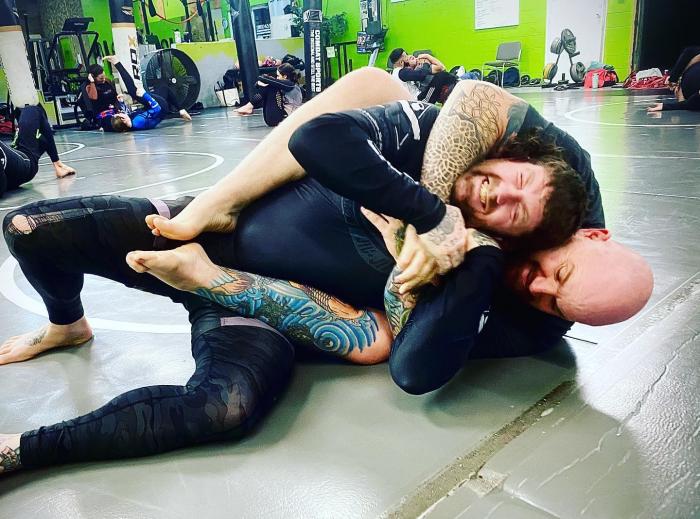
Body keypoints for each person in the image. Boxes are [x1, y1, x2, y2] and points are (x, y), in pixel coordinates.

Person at [0, 69, 652, 474]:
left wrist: (215, 282)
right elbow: (474, 99)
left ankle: (20, 450)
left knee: (225, 407)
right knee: (29, 229)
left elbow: (395, 349)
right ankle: (69, 322)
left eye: (555, 305)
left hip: (256, 301)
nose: (537, 287)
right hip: (222, 222)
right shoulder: (549, 176)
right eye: (558, 275)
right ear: (588, 235)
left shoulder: (524, 311)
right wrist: (428, 216)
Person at [101, 56, 192, 132]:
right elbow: (157, 108)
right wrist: (144, 94)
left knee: (164, 88)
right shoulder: (138, 121)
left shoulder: (129, 123)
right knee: (133, 91)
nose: (120, 113)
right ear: (123, 119)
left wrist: (121, 102)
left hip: (151, 108)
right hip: (160, 106)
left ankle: (181, 111)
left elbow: (128, 114)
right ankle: (117, 62)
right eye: (120, 114)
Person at [0, 104, 75, 196]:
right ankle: (58, 164)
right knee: (33, 110)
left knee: (27, 110)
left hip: (13, 168)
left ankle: (57, 163)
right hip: (24, 166)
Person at [235, 63, 303, 127]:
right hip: (275, 118)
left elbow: (263, 78)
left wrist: (261, 82)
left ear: (285, 76)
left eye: (278, 76)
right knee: (270, 86)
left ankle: (249, 106)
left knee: (271, 86)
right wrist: (259, 83)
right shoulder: (284, 85)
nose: (277, 78)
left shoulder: (291, 85)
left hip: (286, 118)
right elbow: (260, 84)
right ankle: (250, 106)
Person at [388, 47, 457, 104]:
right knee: (441, 76)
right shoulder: (402, 72)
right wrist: (425, 63)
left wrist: (427, 56)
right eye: (407, 58)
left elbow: (442, 68)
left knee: (442, 75)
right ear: (402, 62)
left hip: (419, 98)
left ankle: (457, 80)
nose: (411, 56)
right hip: (420, 102)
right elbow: (421, 75)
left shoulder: (396, 75)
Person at [647, 46, 700, 112]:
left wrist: (673, 78)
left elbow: (689, 51)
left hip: (688, 93)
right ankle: (675, 81)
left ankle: (675, 81)